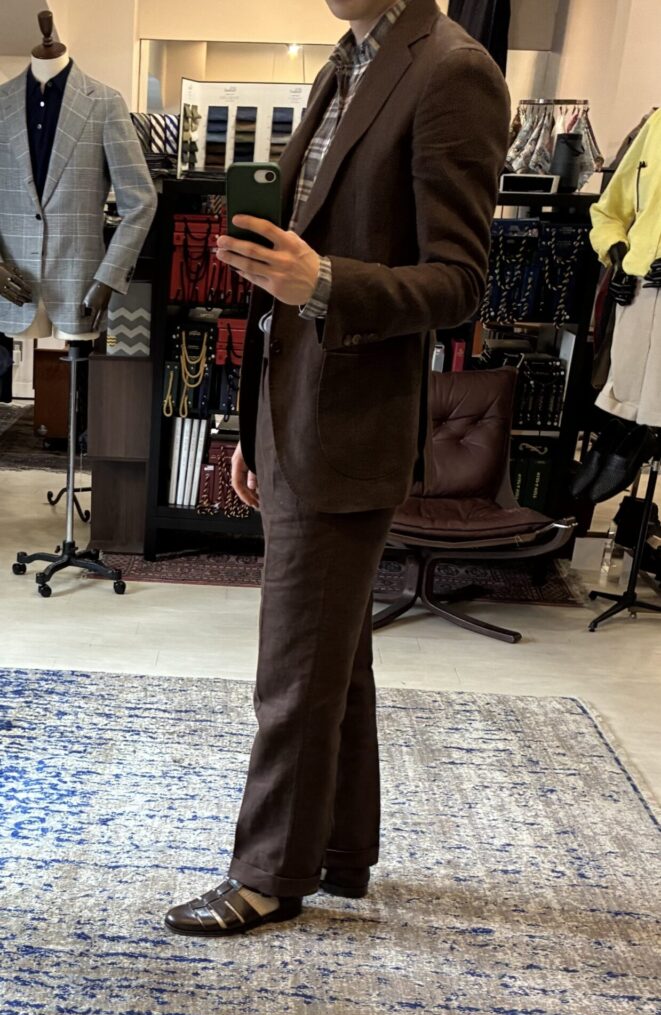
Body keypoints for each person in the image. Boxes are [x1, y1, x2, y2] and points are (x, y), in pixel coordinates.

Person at [166, 0, 510, 937]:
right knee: (332, 659)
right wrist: (253, 424)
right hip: (291, 410)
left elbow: (461, 281)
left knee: (292, 670)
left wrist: (322, 282)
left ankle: (267, 876)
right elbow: (290, 272)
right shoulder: (344, 64)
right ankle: (340, 852)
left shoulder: (452, 70)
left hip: (349, 425)